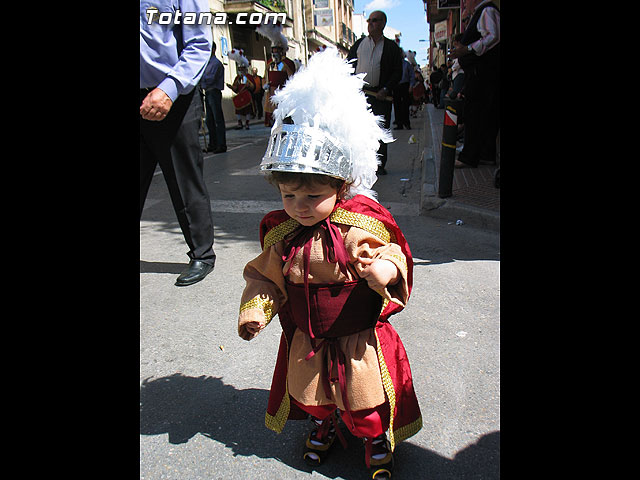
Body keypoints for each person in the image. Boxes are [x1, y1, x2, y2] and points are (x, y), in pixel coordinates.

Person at [237, 47, 421, 480]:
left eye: (312, 196)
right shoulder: (283, 235)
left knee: (365, 400)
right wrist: (255, 310)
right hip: (309, 339)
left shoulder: (354, 226)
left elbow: (388, 249)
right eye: (288, 196)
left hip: (355, 340)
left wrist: (385, 270)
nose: (299, 207)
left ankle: (375, 438)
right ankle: (324, 424)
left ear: (340, 187)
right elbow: (266, 277)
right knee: (314, 396)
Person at [140, 0, 216, 287]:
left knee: (184, 179)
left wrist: (168, 89)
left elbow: (198, 44)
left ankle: (202, 255)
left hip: (171, 95)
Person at [347, 10, 403, 176]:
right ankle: (360, 164)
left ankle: (379, 164)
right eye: (369, 20)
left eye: (375, 20)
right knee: (359, 131)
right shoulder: (358, 44)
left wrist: (386, 88)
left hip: (381, 95)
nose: (371, 23)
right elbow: (349, 65)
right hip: (361, 96)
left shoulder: (391, 47)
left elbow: (397, 72)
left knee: (379, 131)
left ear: (383, 23)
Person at [450, 0, 500, 168]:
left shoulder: (486, 11)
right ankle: (485, 153)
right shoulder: (481, 12)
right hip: (480, 74)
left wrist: (468, 49)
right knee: (484, 115)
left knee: (475, 114)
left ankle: (469, 157)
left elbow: (493, 36)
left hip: (483, 74)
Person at [256, 22, 296, 127]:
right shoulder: (269, 63)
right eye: (273, 50)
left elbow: (292, 79)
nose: (275, 53)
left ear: (282, 51)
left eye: (277, 50)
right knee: (273, 120)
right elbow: (265, 77)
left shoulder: (288, 63)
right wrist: (265, 84)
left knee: (284, 118)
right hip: (271, 93)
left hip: (283, 94)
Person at [200, 41, 227, 154]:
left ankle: (221, 144)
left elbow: (210, 79)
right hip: (208, 92)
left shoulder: (216, 63)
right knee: (209, 120)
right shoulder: (206, 63)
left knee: (217, 119)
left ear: (213, 49)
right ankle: (213, 143)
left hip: (214, 92)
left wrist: (201, 80)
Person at [226, 49, 256, 130]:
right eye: (239, 69)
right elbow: (235, 87)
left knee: (247, 110)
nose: (240, 71)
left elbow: (253, 86)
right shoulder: (237, 78)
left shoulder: (248, 77)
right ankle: (239, 123)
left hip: (246, 95)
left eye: (242, 69)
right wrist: (231, 87)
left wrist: (249, 86)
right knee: (238, 110)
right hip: (240, 95)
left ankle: (247, 123)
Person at [392, 50, 413, 130]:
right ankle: (399, 123)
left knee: (405, 105)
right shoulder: (393, 65)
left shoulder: (407, 64)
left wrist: (411, 86)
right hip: (396, 86)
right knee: (397, 105)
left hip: (405, 85)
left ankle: (406, 123)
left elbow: (411, 76)